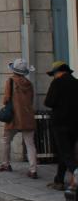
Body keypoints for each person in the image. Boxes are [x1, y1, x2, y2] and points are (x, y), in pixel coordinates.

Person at [0, 59, 38, 178]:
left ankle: (5, 164)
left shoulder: (10, 81)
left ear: (14, 70)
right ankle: (33, 170)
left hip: (14, 117)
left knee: (6, 140)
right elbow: (31, 100)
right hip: (27, 116)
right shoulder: (29, 84)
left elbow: (6, 99)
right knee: (30, 144)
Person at [45, 60, 78, 190]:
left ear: (58, 72)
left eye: (54, 74)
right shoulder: (76, 83)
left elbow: (48, 102)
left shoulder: (57, 83)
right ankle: (59, 180)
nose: (54, 76)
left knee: (65, 152)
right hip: (75, 123)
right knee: (64, 152)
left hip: (60, 123)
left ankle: (76, 171)